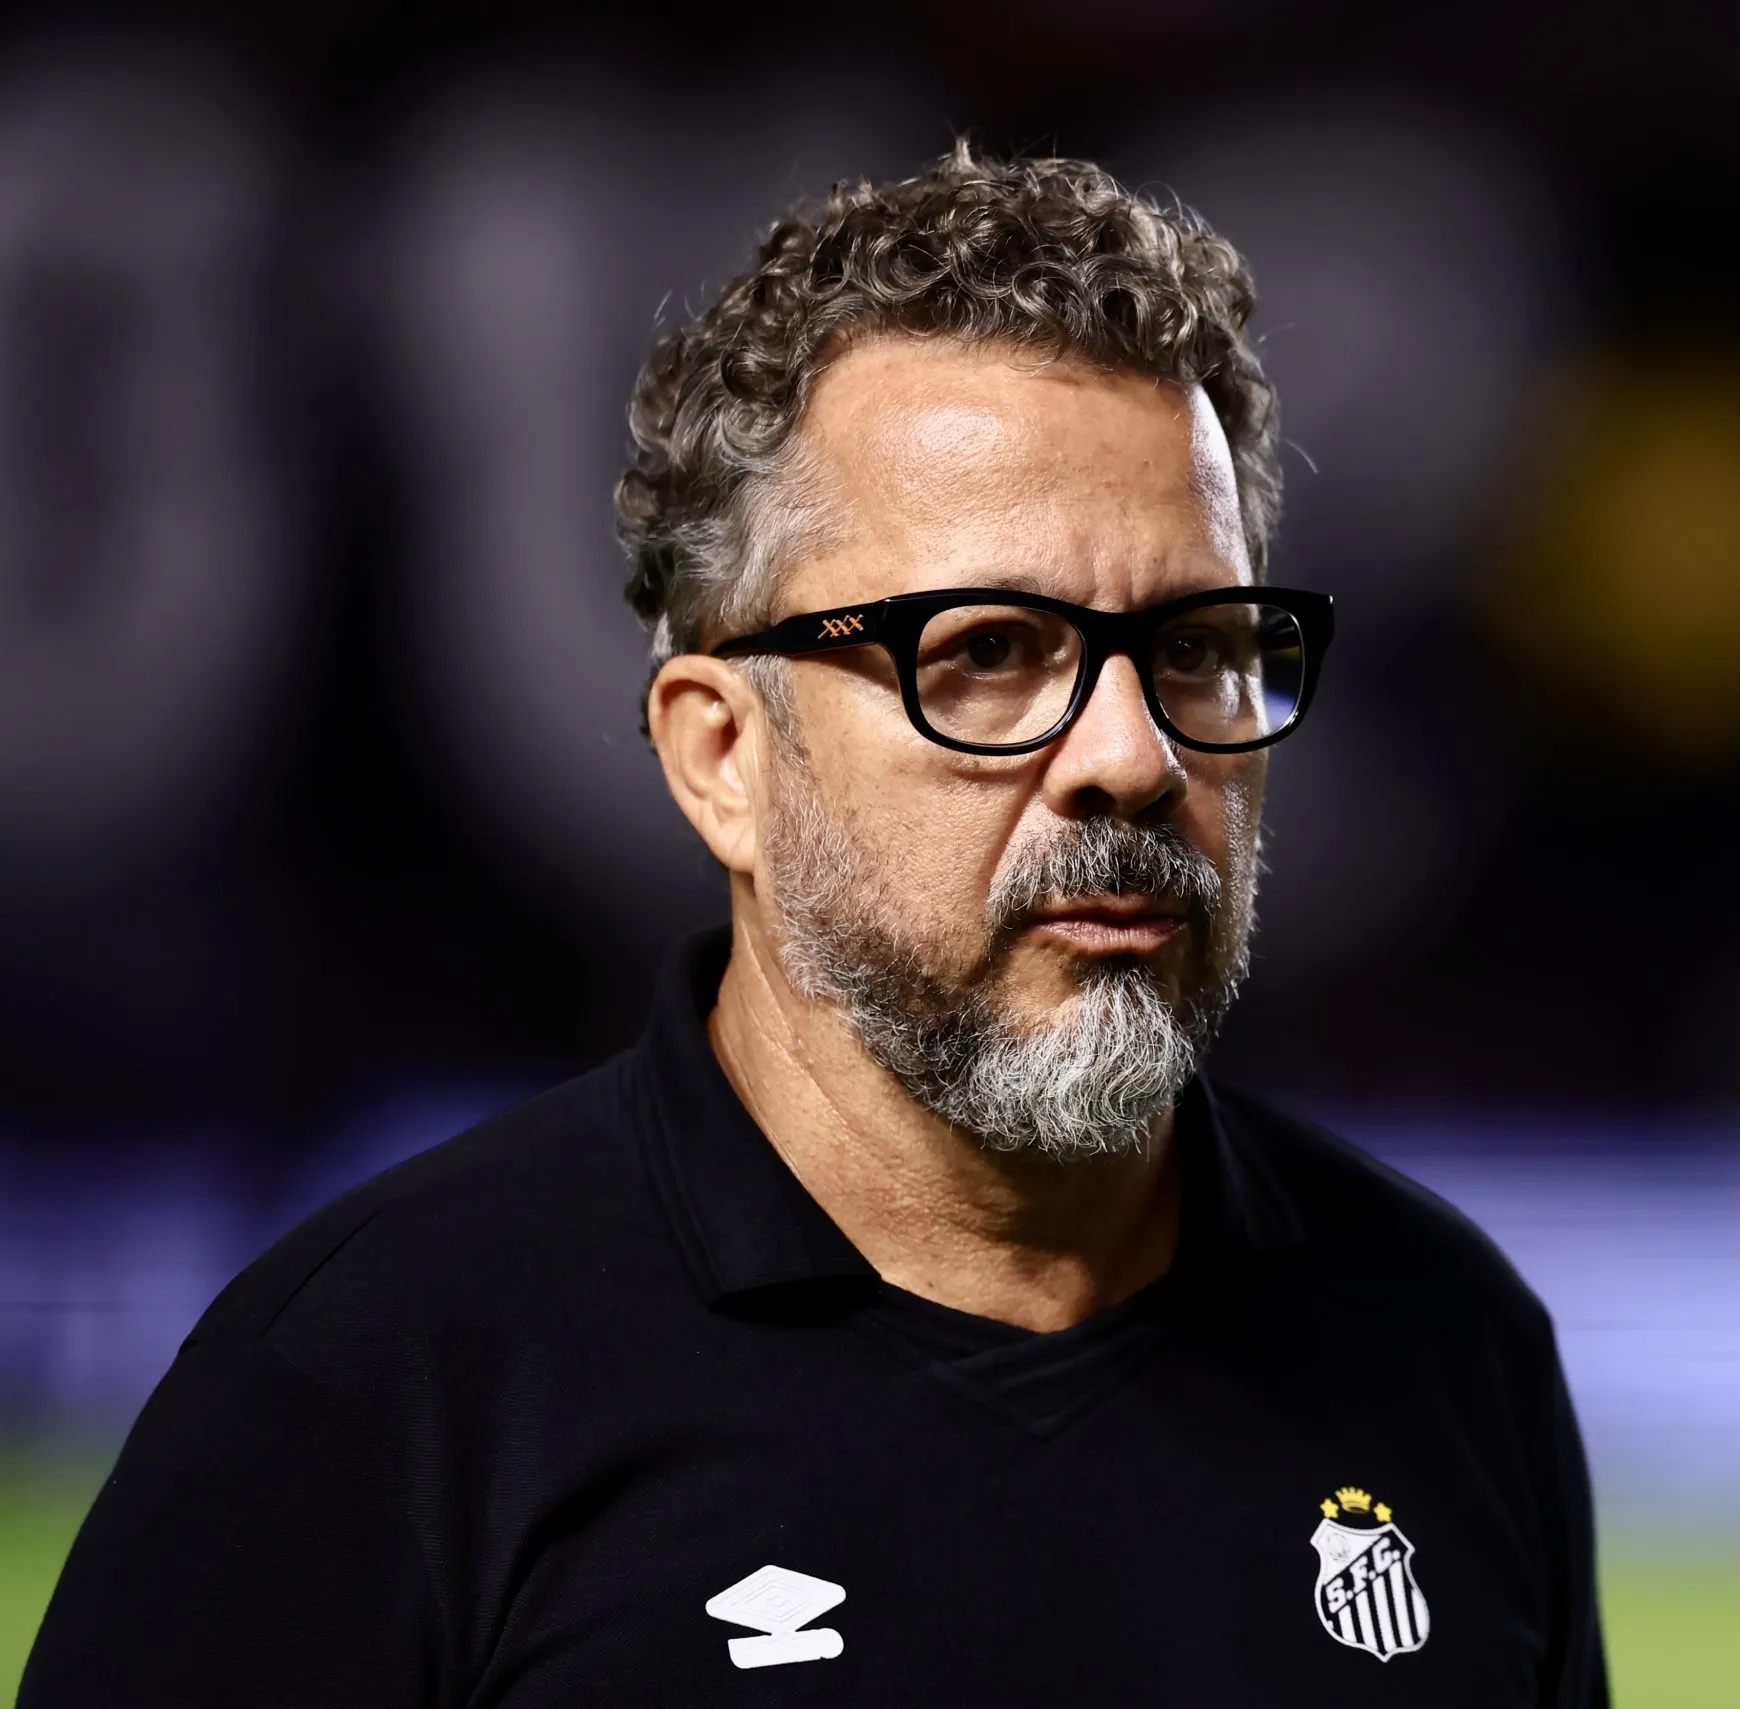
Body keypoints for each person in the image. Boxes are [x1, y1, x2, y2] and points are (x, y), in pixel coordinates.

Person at [20, 144, 1608, 1706]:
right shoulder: (378, 1384)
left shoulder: (1443, 1345)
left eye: (1197, 647)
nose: (1133, 755)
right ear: (723, 757)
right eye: (988, 650)